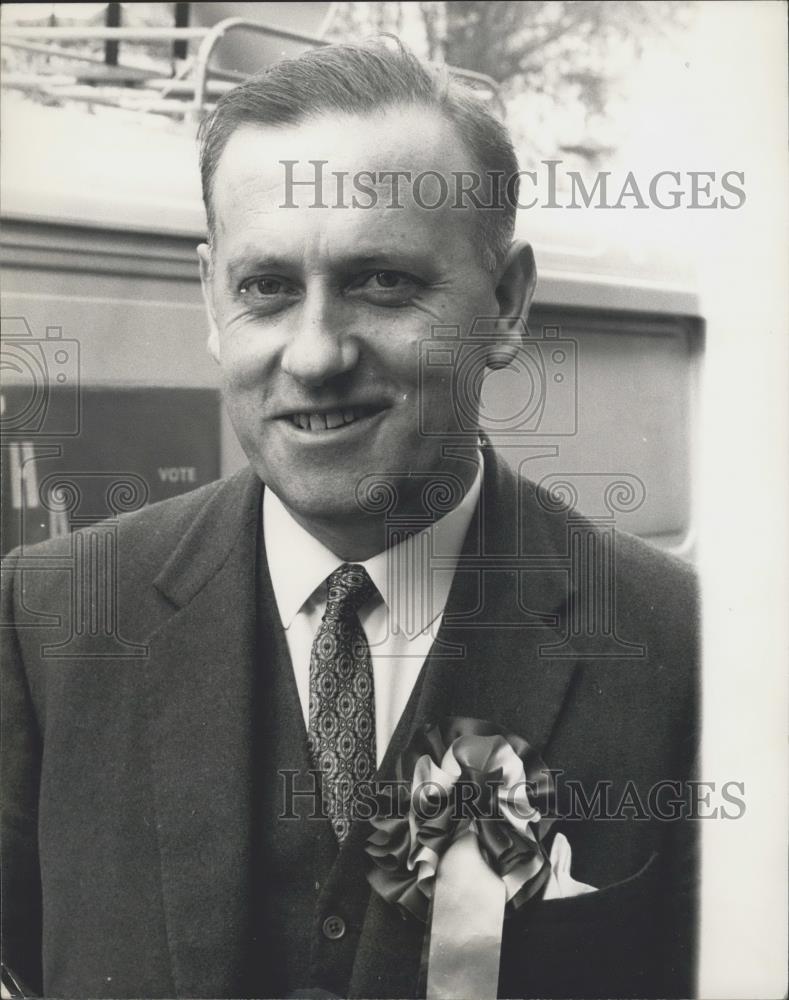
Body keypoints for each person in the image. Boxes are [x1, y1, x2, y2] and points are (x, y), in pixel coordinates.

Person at [1, 39, 699, 999]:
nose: (316, 354)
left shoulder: (681, 648)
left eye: (383, 283)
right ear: (212, 300)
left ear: (505, 304)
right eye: (267, 288)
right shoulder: (47, 619)